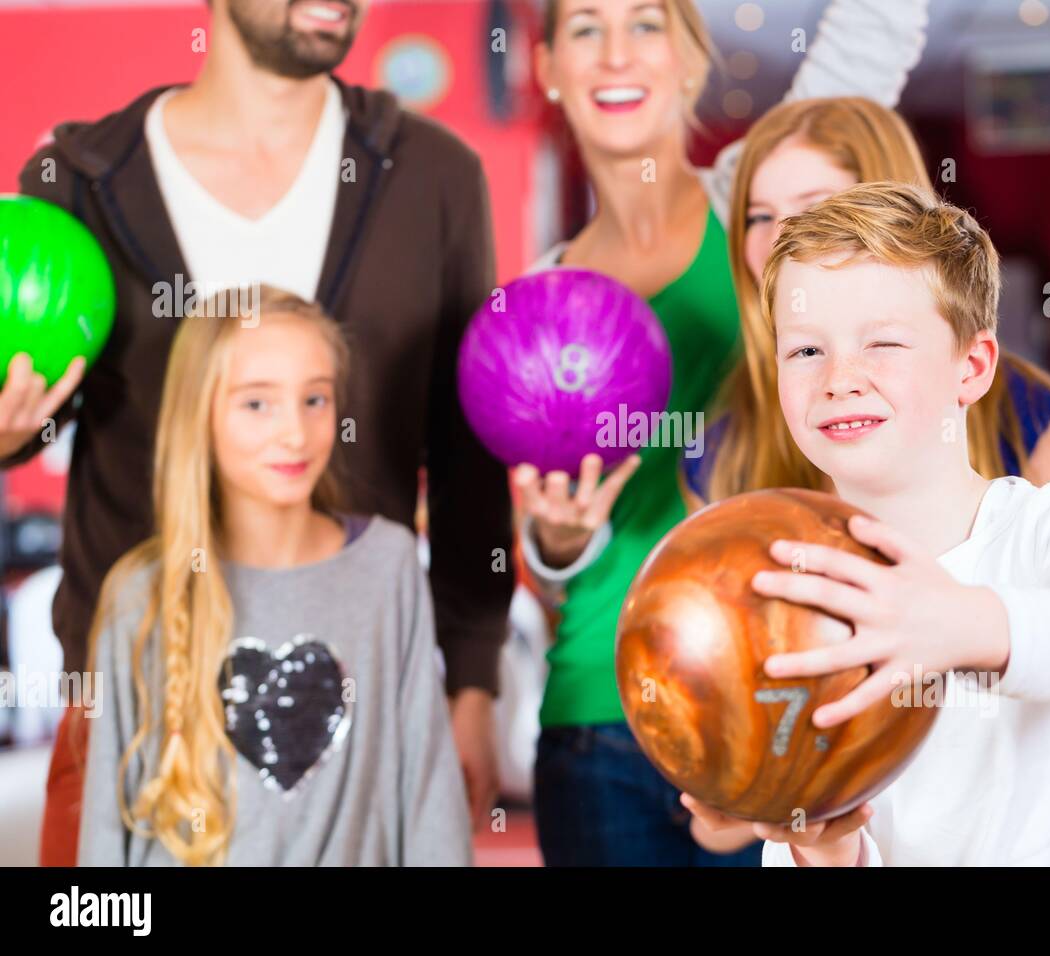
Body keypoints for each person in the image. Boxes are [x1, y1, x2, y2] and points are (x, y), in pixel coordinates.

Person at [0, 0, 510, 865]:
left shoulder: (433, 175)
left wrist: (472, 679)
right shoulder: (80, 178)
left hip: (364, 700)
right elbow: (28, 404)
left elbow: (468, 454)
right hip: (128, 696)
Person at [513, 0, 929, 866]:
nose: (617, 53)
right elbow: (553, 560)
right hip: (601, 710)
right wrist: (556, 543)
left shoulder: (766, 196)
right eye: (585, 29)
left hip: (782, 691)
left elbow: (874, 33)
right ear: (547, 69)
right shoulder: (542, 296)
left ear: (696, 62)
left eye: (647, 24)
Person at [682, 182, 1050, 865]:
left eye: (882, 343)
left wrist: (953, 625)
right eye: (805, 351)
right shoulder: (794, 598)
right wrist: (825, 846)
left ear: (971, 368)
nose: (839, 378)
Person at [78, 289, 470, 866]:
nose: (294, 432)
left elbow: (431, 797)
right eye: (257, 404)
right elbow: (107, 834)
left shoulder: (388, 567)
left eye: (315, 398)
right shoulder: (140, 594)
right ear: (200, 414)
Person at [686, 96, 1050, 514]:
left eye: (813, 209)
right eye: (758, 217)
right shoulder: (721, 449)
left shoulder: (1018, 411)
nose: (780, 242)